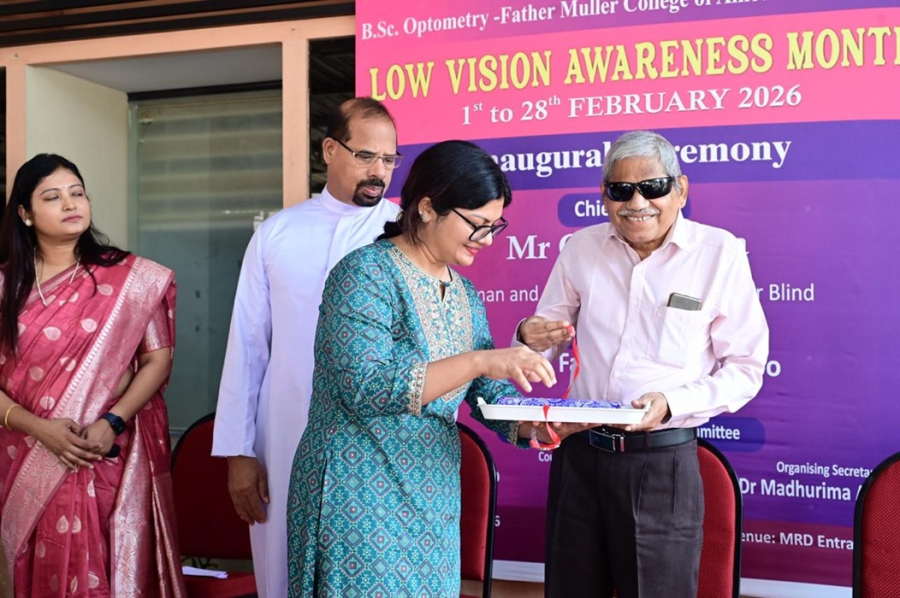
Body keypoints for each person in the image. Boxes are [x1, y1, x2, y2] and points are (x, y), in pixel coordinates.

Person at [286, 140, 558, 596]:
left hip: (433, 498)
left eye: (495, 226)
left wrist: (542, 424)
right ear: (428, 207)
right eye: (478, 224)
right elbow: (366, 386)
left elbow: (487, 396)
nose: (488, 239)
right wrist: (479, 360)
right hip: (357, 495)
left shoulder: (466, 294)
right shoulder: (365, 274)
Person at [516, 130, 769, 598]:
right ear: (604, 194)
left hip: (660, 465)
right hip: (579, 456)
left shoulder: (719, 254)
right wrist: (528, 339)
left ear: (681, 189)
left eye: (652, 187)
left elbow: (745, 368)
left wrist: (671, 403)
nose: (637, 203)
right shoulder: (580, 248)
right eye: (621, 190)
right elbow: (543, 342)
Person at [212, 97, 403, 597]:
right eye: (366, 156)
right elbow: (247, 345)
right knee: (282, 571)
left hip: (378, 445)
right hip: (283, 438)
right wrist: (238, 451)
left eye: (389, 159)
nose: (379, 172)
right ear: (329, 150)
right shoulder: (277, 232)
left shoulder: (407, 234)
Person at [0, 154, 186, 597]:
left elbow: (157, 359)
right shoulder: (5, 287)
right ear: (25, 214)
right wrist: (40, 428)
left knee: (108, 573)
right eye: (52, 197)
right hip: (24, 456)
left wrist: (112, 422)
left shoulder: (132, 280)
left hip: (104, 453)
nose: (71, 204)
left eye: (77, 193)